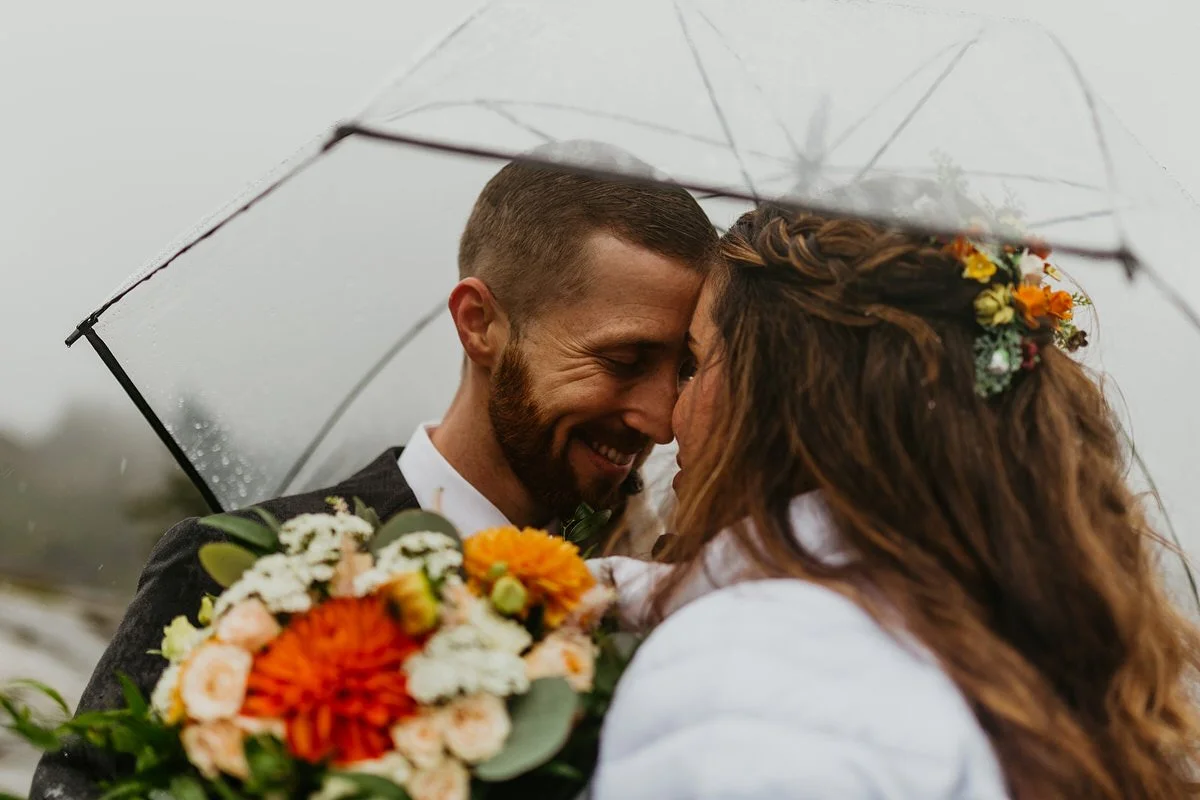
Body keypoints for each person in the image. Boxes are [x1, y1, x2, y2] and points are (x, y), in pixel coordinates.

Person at [31, 148, 717, 799]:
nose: (661, 419)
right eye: (624, 362)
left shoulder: (641, 616)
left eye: (683, 369)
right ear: (480, 324)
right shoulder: (234, 564)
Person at [590, 207, 1200, 799]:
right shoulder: (1006, 662)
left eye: (695, 363)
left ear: (783, 396)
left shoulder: (755, 677)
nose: (670, 419)